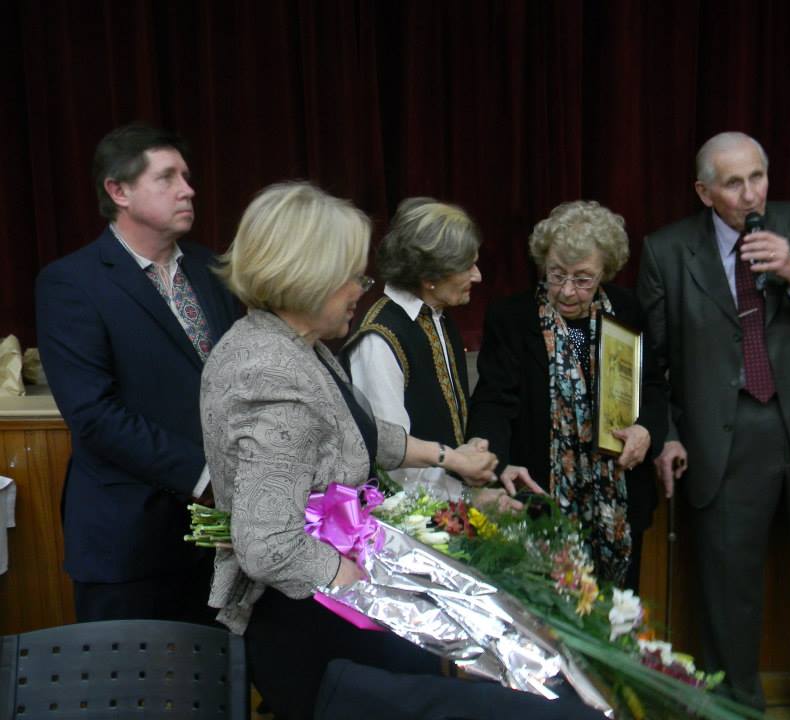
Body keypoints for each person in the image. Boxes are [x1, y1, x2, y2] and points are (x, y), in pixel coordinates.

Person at [201, 182, 514, 720]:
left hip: (325, 613)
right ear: (308, 277)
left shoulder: (287, 342)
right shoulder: (272, 373)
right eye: (352, 276)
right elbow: (268, 544)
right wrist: (363, 586)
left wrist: (448, 457)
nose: (360, 290)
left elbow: (355, 431)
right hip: (314, 633)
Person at [636, 131, 790, 717]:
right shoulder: (668, 251)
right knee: (728, 594)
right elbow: (652, 364)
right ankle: (736, 710)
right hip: (726, 436)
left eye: (758, 177)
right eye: (734, 183)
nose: (750, 195)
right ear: (704, 192)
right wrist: (666, 433)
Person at [35, 123, 238, 624]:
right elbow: (94, 414)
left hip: (222, 540)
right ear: (118, 191)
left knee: (222, 671)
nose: (188, 190)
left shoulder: (213, 270)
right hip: (129, 541)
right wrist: (204, 476)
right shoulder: (71, 283)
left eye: (186, 176)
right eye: (167, 178)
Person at [467, 200, 667, 588]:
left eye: (583, 279)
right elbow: (494, 400)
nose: (567, 291)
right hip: (539, 502)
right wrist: (492, 459)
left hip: (618, 503)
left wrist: (646, 430)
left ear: (605, 271)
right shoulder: (512, 318)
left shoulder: (625, 311)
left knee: (614, 614)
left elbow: (653, 387)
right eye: (556, 274)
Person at [344, 197, 542, 501]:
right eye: (467, 266)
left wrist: (481, 464)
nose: (478, 275)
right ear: (430, 277)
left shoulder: (438, 316)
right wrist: (468, 497)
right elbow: (392, 465)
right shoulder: (379, 341)